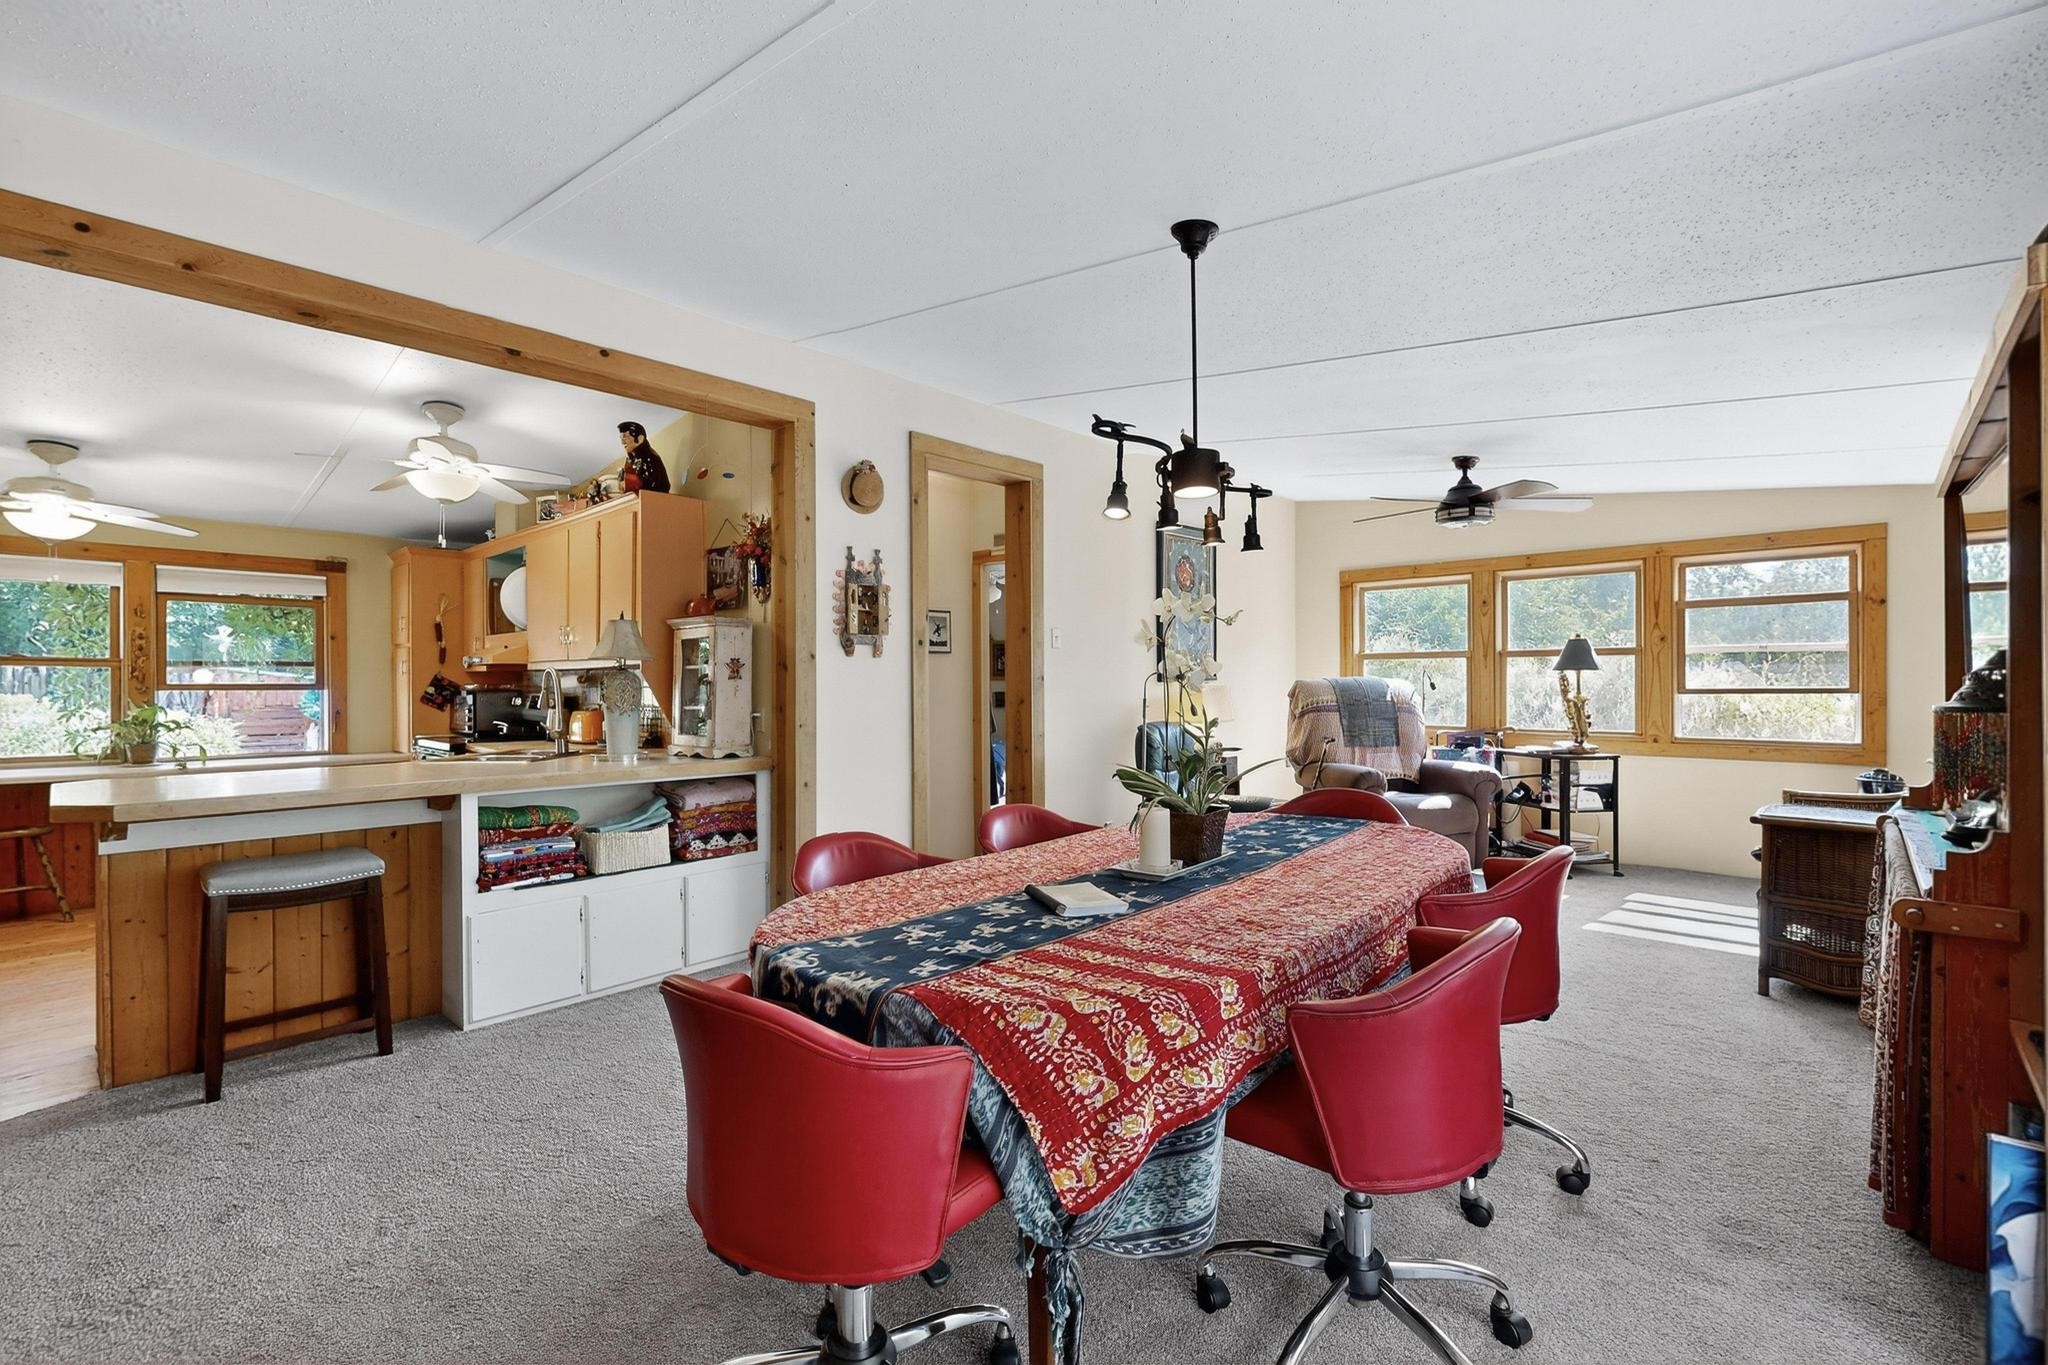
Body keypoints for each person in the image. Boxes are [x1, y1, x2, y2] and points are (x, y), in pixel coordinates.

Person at [617, 421, 671, 493]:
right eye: (621, 438)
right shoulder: (631, 461)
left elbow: (653, 484)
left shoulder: (650, 458)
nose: (622, 442)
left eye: (625, 437)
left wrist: (630, 480)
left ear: (640, 438)